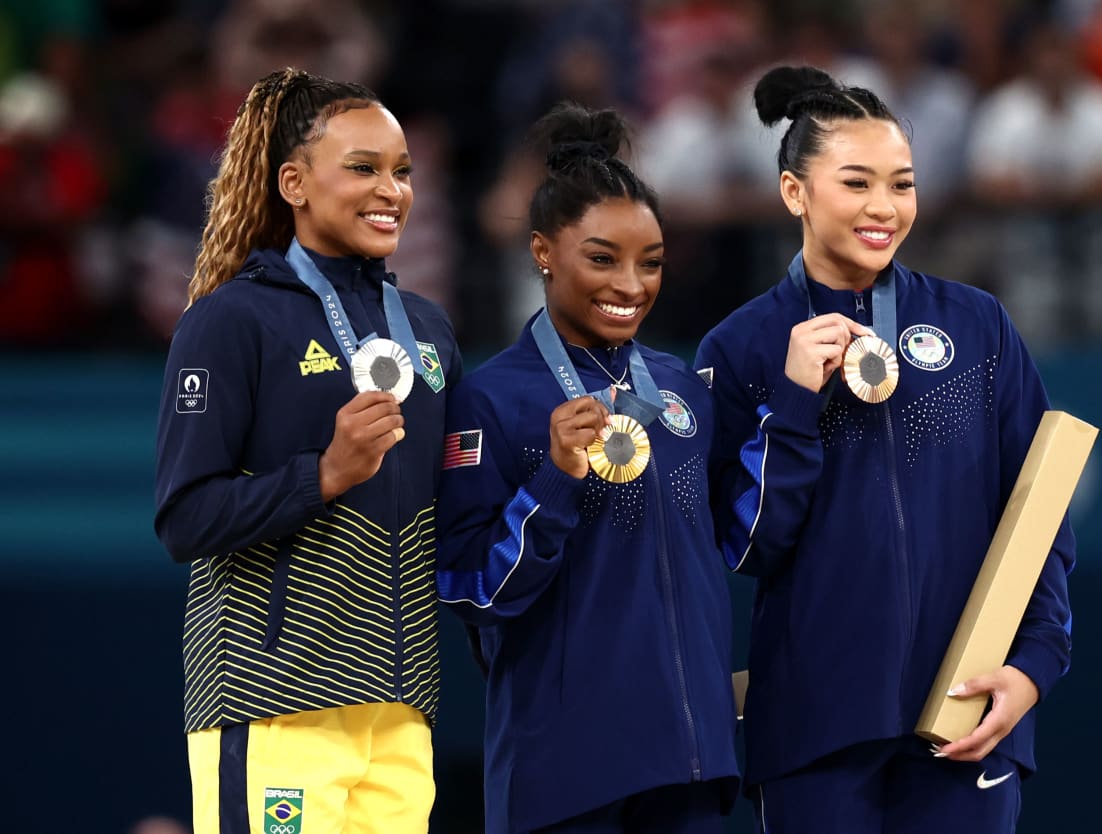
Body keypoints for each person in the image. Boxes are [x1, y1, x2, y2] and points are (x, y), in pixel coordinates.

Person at [695, 66, 1075, 833]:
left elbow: (1039, 515)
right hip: (816, 727)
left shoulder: (977, 325)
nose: (884, 208)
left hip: (965, 717)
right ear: (794, 192)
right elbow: (745, 545)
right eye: (856, 182)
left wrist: (1033, 666)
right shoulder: (741, 348)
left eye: (901, 184)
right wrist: (795, 401)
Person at [153, 68, 459, 834]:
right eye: (362, 168)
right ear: (294, 182)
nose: (391, 190)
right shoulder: (230, 321)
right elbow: (185, 517)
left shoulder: (427, 331)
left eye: (402, 171)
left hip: (399, 711)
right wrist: (324, 475)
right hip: (273, 703)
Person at [435, 102, 739, 834]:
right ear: (543, 251)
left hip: (689, 762)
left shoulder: (682, 391)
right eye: (602, 258)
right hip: (568, 770)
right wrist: (556, 478)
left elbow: (737, 543)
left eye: (652, 262)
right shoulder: (492, 400)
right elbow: (469, 588)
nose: (630, 284)